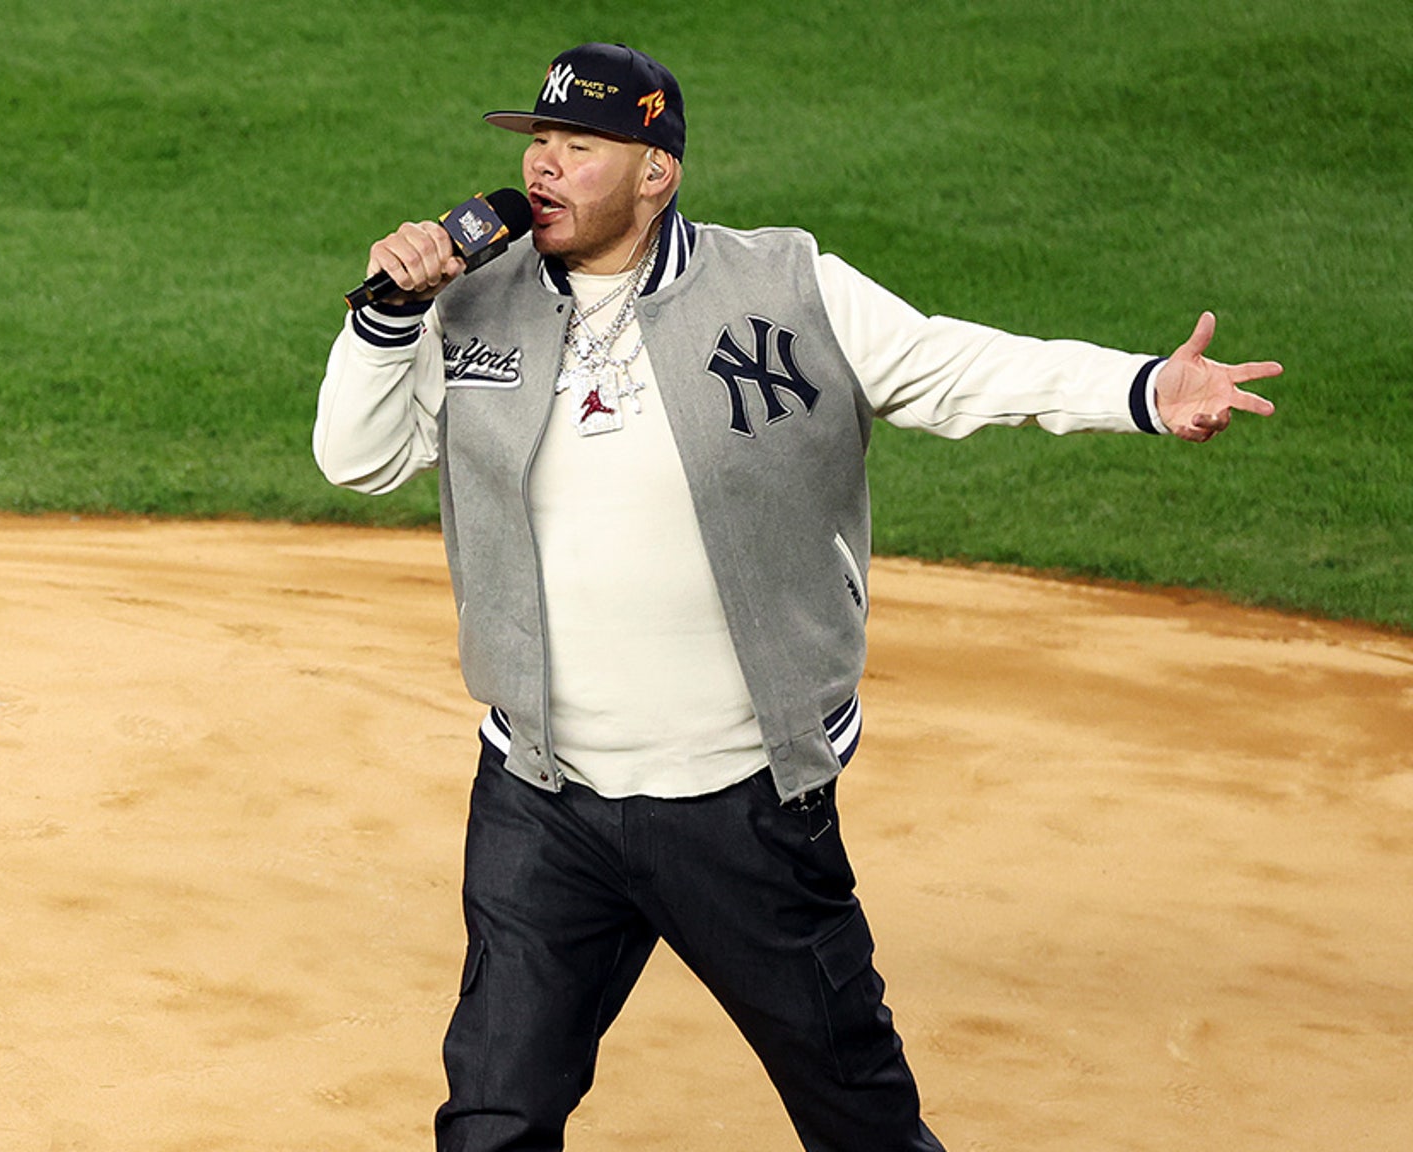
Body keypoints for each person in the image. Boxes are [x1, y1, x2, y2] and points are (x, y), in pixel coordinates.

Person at [311, 42, 1280, 1152]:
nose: (543, 168)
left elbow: (953, 367)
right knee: (491, 1117)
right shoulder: (472, 304)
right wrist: (386, 316)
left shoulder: (784, 285)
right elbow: (356, 460)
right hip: (541, 798)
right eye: (537, 144)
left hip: (741, 800)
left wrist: (1141, 388)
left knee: (855, 1114)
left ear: (654, 172)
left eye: (579, 148)